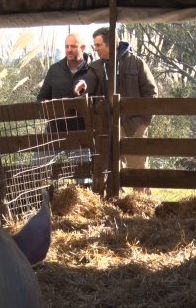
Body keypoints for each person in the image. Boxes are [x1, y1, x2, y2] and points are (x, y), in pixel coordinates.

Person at [75, 27, 158, 194]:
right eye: (94, 46)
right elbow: (89, 79)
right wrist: (83, 84)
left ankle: (142, 207)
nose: (95, 49)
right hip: (107, 127)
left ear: (111, 44)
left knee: (138, 168)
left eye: (98, 45)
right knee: (111, 170)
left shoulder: (136, 62)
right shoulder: (96, 67)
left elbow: (151, 92)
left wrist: (144, 123)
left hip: (133, 125)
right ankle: (115, 205)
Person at [34, 33, 92, 185]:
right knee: (35, 165)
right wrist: (52, 108)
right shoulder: (55, 70)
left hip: (80, 132)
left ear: (83, 48)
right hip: (54, 130)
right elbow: (41, 98)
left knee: (83, 175)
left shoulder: (93, 70)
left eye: (73, 46)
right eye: (67, 46)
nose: (69, 50)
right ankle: (39, 199)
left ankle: (83, 205)